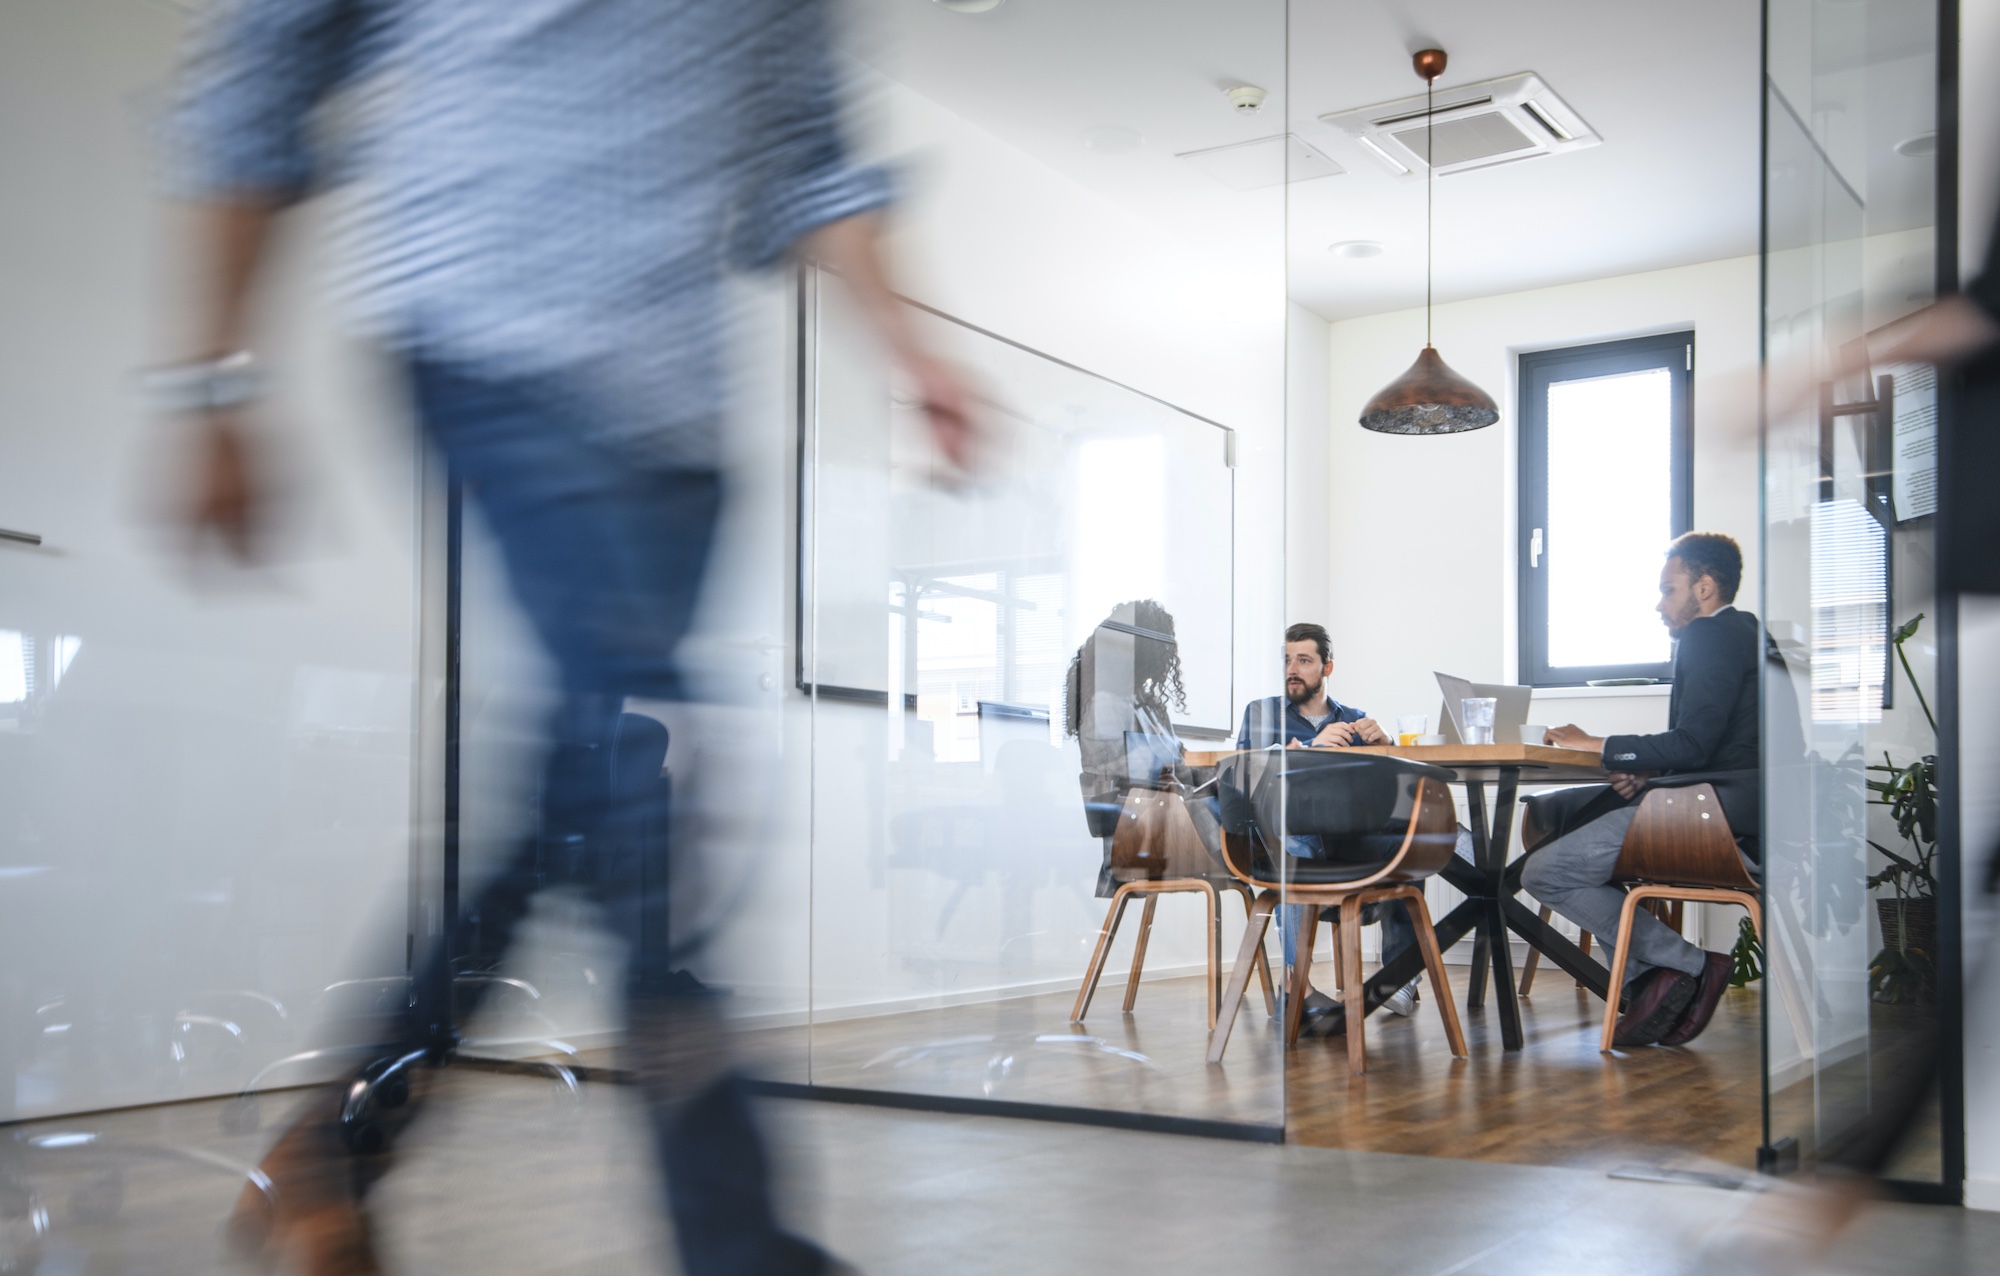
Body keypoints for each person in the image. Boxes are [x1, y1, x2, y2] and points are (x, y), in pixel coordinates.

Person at [163, 2, 971, 1273]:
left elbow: (808, 152)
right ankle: (738, 1241)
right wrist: (207, 383)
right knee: (652, 781)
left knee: (581, 787)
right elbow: (267, 67)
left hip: (681, 424)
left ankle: (335, 1147)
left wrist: (913, 347)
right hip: (491, 343)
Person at [1522, 531, 1758, 1049]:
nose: (1659, 603)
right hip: (1740, 811)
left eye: (1668, 589)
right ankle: (1647, 986)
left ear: (1704, 588)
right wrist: (1650, 773)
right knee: (1581, 839)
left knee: (1543, 870)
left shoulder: (1709, 635)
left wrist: (1597, 743)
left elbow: (1693, 743)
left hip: (1708, 818)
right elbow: (1728, 745)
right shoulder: (1749, 634)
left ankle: (1691, 965)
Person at [1236, 623, 1417, 1034]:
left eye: (1304, 660)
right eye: (1286, 660)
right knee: (1292, 839)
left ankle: (1401, 977)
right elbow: (1244, 778)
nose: (1292, 669)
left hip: (1345, 841)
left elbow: (1390, 792)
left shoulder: (1353, 720)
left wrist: (1384, 744)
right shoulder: (1261, 713)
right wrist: (1309, 751)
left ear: (1327, 667)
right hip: (1291, 839)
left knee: (1404, 841)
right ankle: (1296, 984)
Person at [1065, 600, 1190, 898]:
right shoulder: (1103, 704)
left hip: (1162, 820)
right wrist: (1167, 769)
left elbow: (1178, 762)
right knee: (1245, 835)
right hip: (1138, 837)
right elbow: (1110, 775)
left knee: (1243, 812)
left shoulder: (1148, 705)